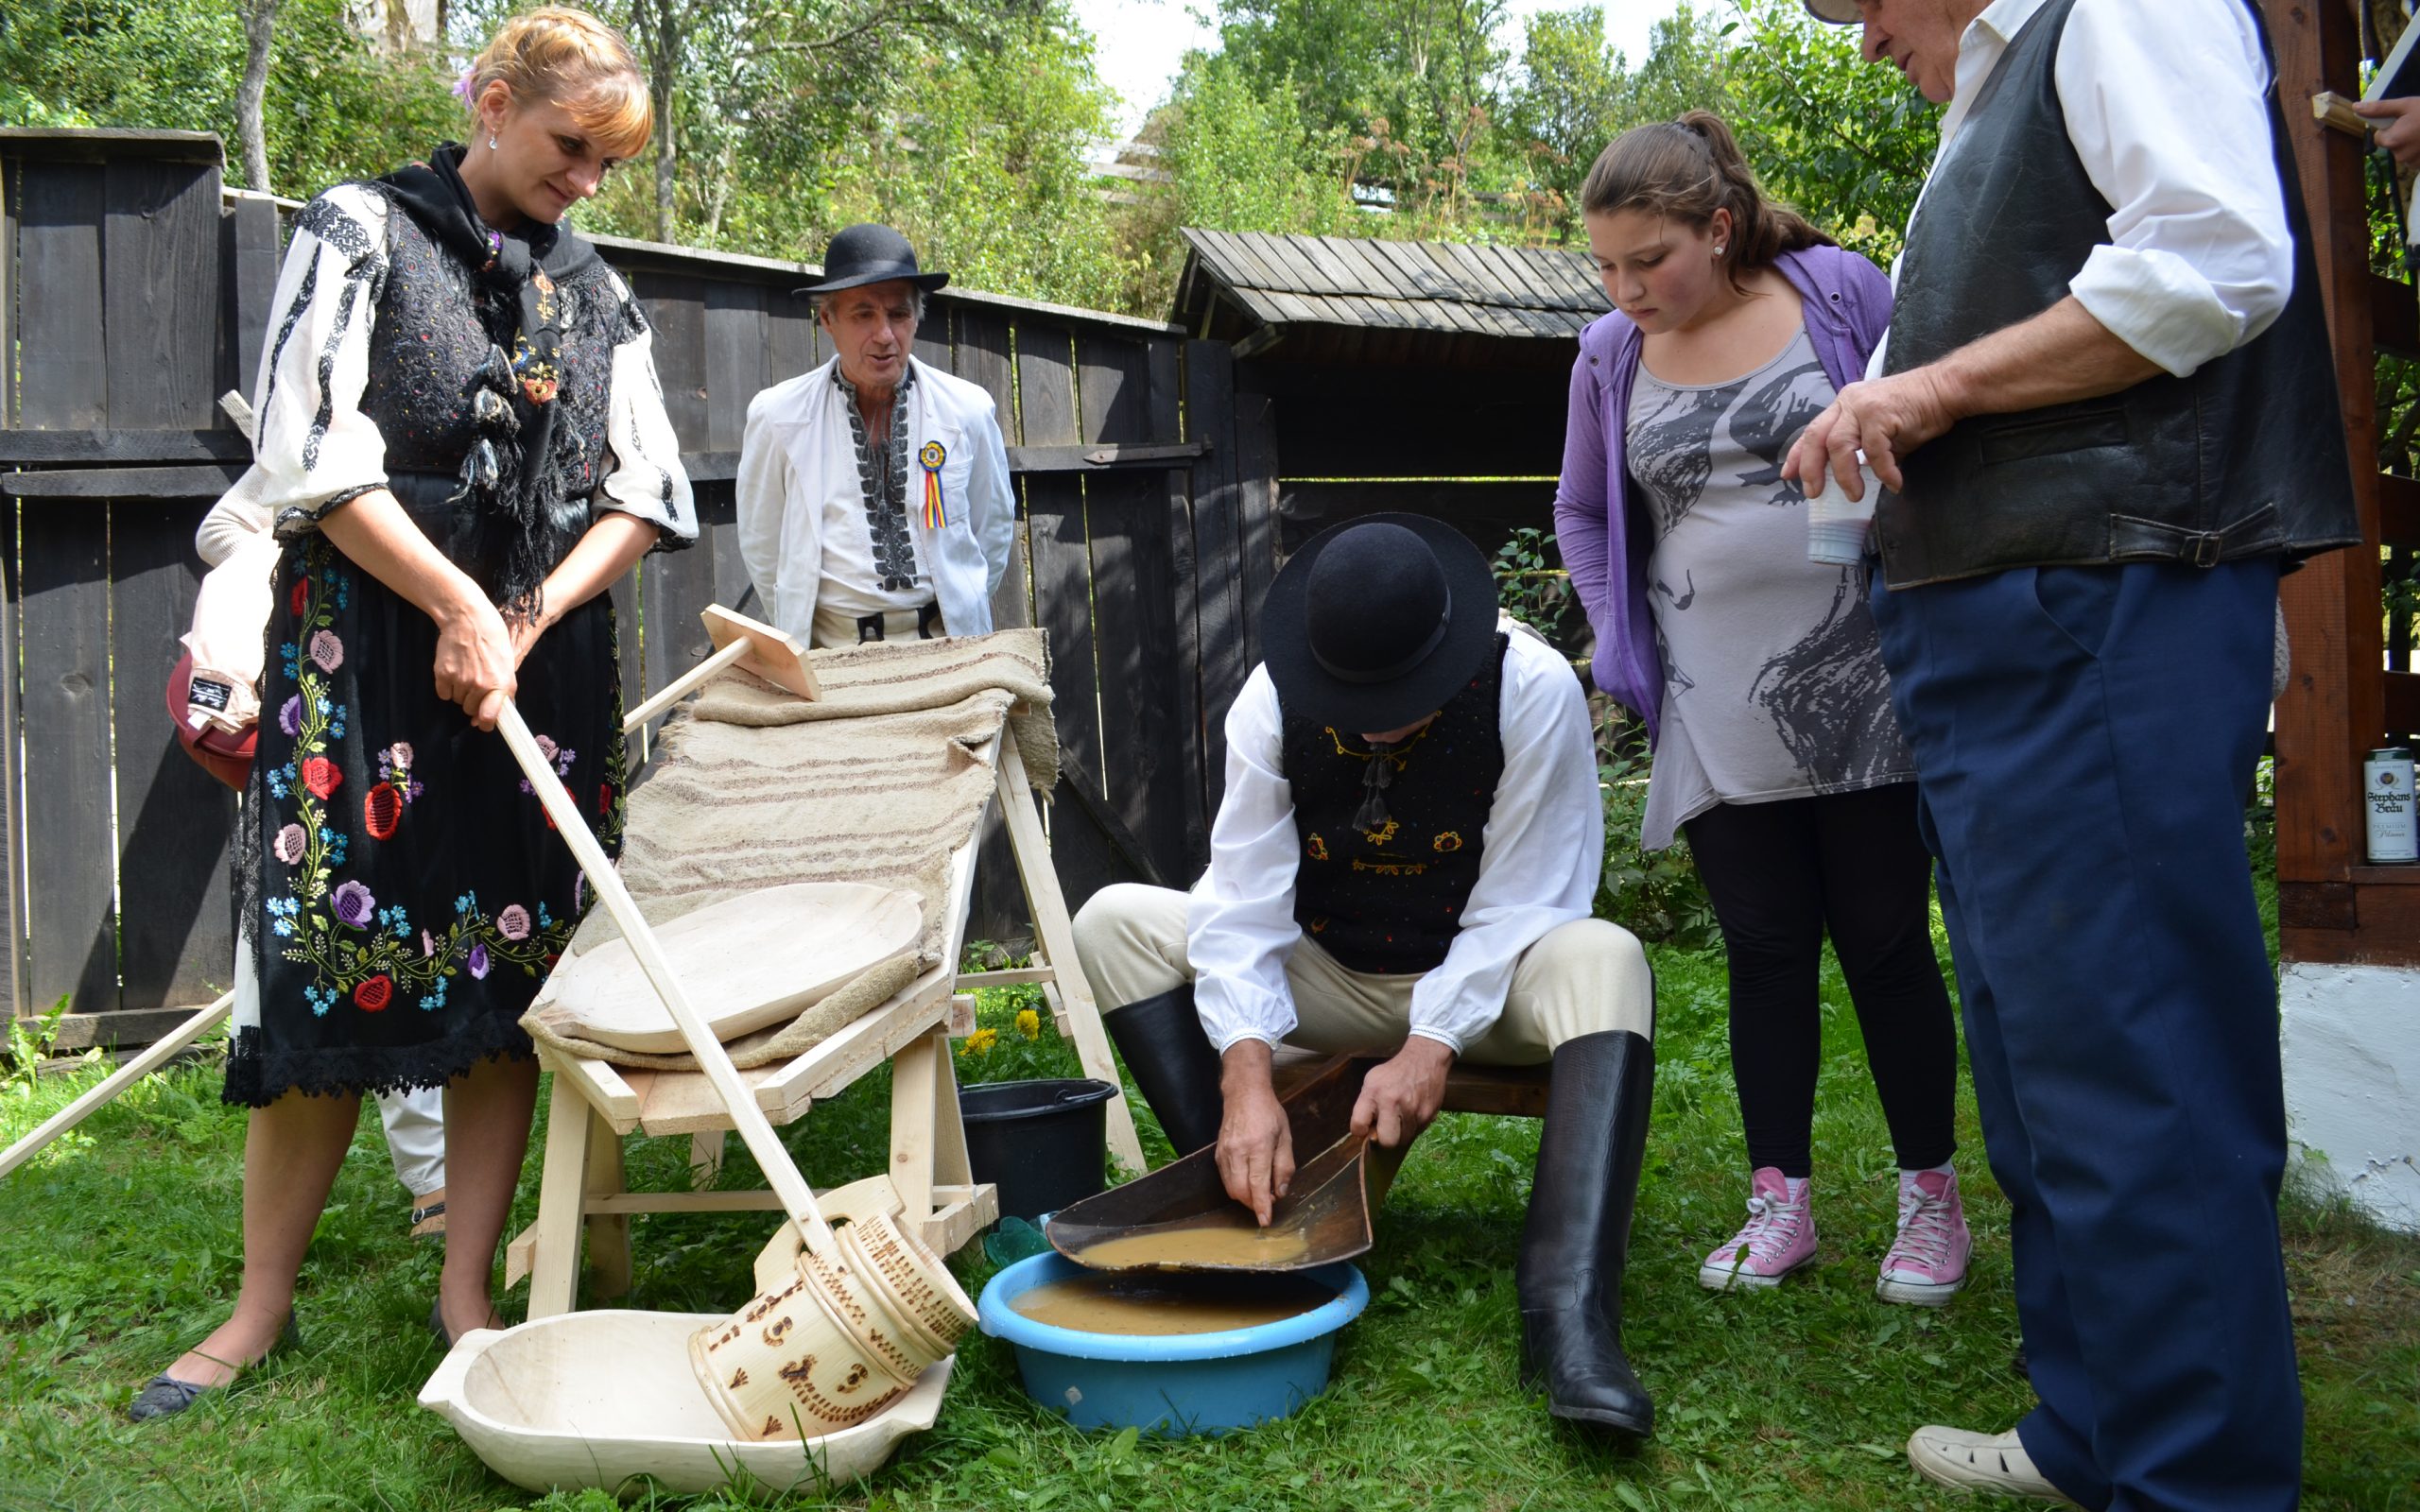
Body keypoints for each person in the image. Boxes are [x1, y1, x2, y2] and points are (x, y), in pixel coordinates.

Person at [1786, 1, 2359, 1504]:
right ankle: (2094, 1426)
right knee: (2046, 1060)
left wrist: (1929, 383)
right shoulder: (1997, 82)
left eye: (1859, 2)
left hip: (2103, 600)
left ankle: (2201, 1481)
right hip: (2006, 620)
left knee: (2138, 1057)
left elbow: (2217, 253)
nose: (1857, 38)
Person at [130, 6, 696, 1419]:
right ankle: (258, 1311)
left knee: (506, 991)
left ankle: (464, 1295)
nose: (586, 181)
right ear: (493, 102)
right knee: (333, 970)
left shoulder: (598, 287)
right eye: (572, 146)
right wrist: (451, 604)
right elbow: (306, 450)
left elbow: (647, 491)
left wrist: (523, 617)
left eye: (608, 162)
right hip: (368, 663)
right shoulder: (362, 229)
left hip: (537, 675)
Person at [1070, 515, 1661, 1440]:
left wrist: (1431, 1044)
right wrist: (1247, 1074)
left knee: (1606, 960)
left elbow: (1527, 902)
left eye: (1402, 694)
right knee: (1113, 924)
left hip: (1486, 986)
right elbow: (1242, 904)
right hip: (1333, 976)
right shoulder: (1270, 699)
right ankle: (1254, 1220)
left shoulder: (1532, 686)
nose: (1378, 719)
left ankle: (1568, 1314)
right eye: (1358, 697)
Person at [1555, 112, 1968, 1306]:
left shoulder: (1839, 291)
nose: (1627, 289)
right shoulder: (1606, 356)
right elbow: (1584, 513)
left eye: (1650, 261)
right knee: (1767, 952)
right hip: (1710, 695)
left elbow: (1933, 433)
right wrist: (1617, 639)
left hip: (1869, 680)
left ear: (1718, 226)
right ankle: (1779, 1202)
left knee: (1889, 946)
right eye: (1607, 267)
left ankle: (1929, 1204)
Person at [735, 224, 1015, 649]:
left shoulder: (968, 410)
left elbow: (992, 533)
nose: (885, 335)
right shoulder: (778, 416)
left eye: (899, 314)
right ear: (827, 319)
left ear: (916, 319)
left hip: (949, 652)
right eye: (863, 314)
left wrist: (960, 605)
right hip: (833, 660)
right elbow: (763, 547)